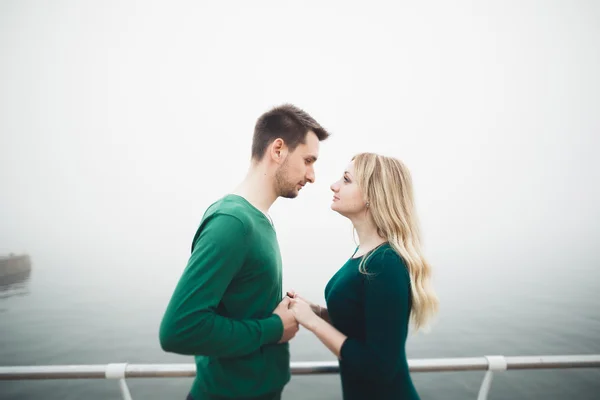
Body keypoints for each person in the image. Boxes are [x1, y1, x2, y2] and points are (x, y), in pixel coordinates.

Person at [159, 104, 330, 400]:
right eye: (308, 160)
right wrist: (274, 328)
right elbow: (179, 329)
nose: (312, 175)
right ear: (278, 150)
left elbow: (239, 303)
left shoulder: (257, 220)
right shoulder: (232, 223)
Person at [288, 152, 439, 400]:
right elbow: (357, 323)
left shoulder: (386, 263)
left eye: (346, 180)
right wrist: (316, 311)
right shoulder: (366, 254)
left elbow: (379, 367)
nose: (334, 185)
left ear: (372, 195)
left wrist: (312, 323)